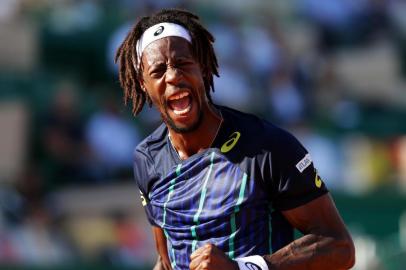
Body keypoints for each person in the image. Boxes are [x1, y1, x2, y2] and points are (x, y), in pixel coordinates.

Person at [115, 8, 355, 270]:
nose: (172, 76)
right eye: (158, 71)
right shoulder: (146, 158)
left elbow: (339, 247)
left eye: (182, 63)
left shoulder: (267, 146)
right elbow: (166, 260)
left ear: (204, 67)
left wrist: (243, 268)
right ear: (142, 84)